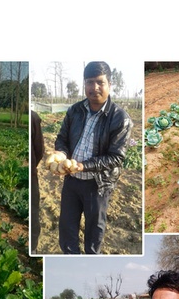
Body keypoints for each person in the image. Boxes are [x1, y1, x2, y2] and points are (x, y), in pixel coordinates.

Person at [54, 61, 132, 254]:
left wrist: (83, 166)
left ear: (109, 85)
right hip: (71, 181)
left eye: (100, 82)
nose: (94, 87)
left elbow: (115, 158)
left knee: (93, 234)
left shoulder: (120, 118)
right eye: (89, 82)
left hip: (97, 185)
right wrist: (61, 154)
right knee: (67, 231)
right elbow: (62, 138)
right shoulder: (75, 111)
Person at [31, 111, 43, 252]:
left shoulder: (34, 118)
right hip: (32, 174)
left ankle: (33, 247)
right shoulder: (33, 117)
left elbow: (39, 150)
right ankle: (33, 247)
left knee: (34, 212)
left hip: (31, 174)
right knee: (33, 210)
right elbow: (39, 151)